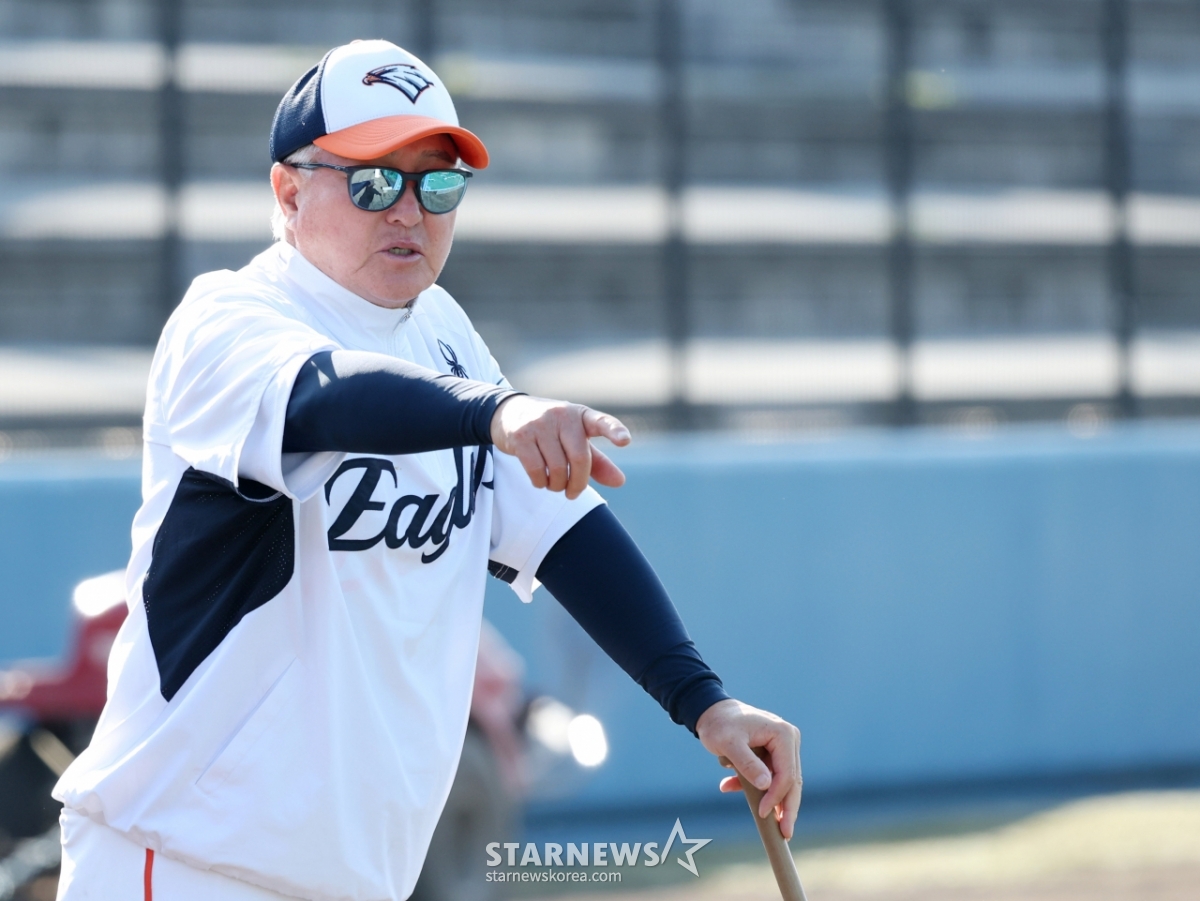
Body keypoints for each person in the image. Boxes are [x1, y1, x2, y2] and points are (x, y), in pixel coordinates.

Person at [52, 40, 801, 901]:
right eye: (374, 181)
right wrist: (494, 410)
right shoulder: (228, 320)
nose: (409, 210)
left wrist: (705, 702)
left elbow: (564, 531)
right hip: (184, 860)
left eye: (437, 183)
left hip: (353, 880)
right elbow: (326, 397)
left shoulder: (442, 333)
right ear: (289, 192)